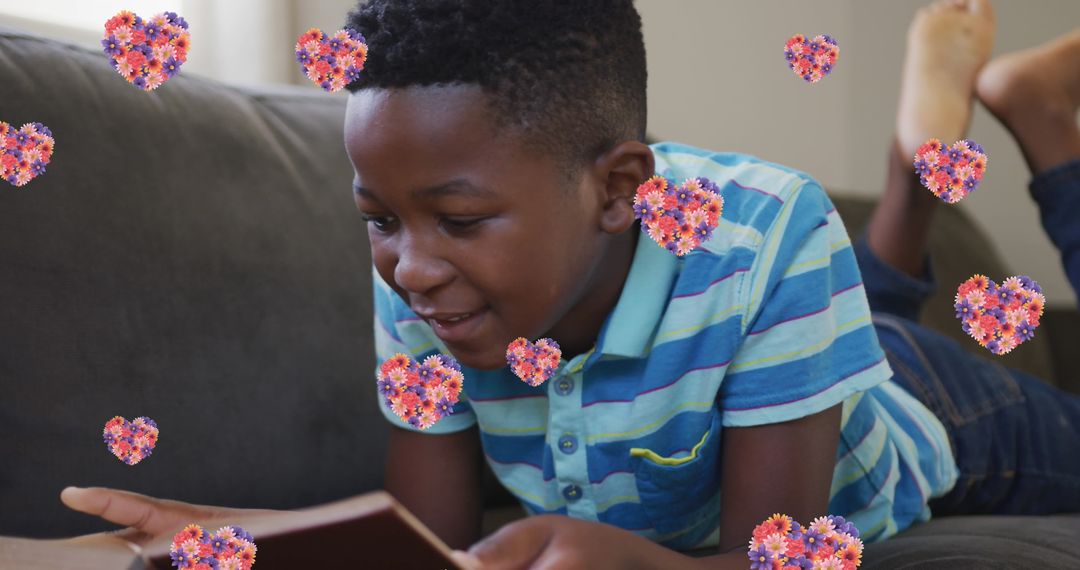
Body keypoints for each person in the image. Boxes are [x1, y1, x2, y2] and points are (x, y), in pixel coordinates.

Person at [59, 1, 1080, 568]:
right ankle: (916, 174)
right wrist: (235, 532)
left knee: (865, 331)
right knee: (843, 301)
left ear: (617, 188)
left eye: (458, 220)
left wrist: (636, 568)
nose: (409, 265)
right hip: (772, 338)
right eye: (380, 218)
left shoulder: (769, 228)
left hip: (927, 413)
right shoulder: (425, 268)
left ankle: (1034, 123)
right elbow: (437, 545)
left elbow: (789, 557)